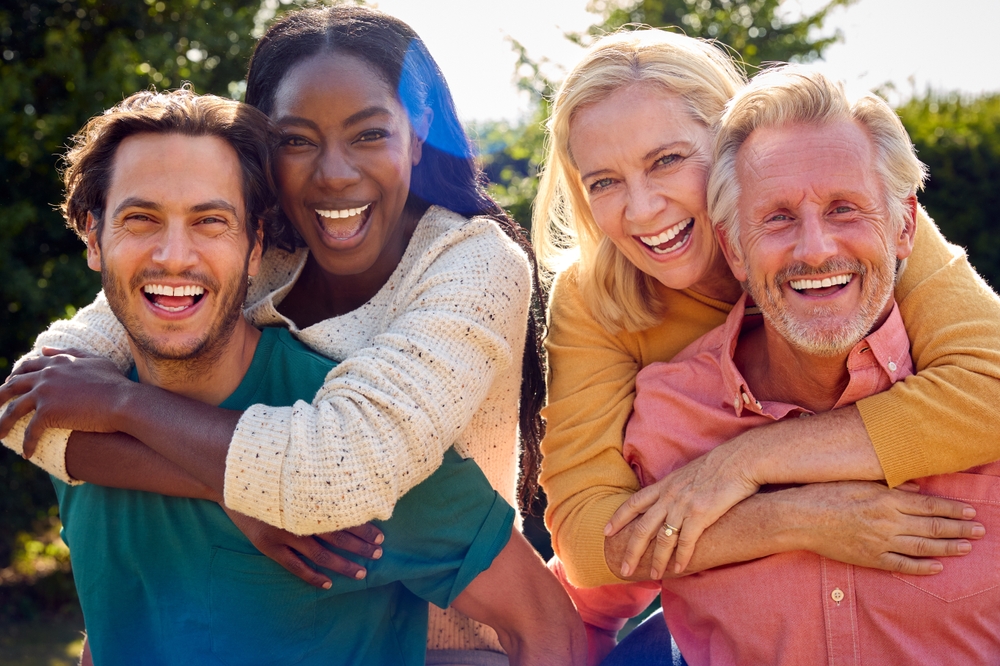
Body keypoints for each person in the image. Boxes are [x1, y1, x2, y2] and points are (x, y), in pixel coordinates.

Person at [0, 7, 583, 664]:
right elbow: (33, 404)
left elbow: (331, 477)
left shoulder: (471, 263)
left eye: (368, 135)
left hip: (453, 640)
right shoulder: (251, 250)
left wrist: (121, 407)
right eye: (297, 141)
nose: (333, 173)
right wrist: (234, 491)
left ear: (417, 135)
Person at [533, 28, 1000, 595]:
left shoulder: (854, 229)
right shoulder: (594, 296)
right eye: (604, 182)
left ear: (733, 144)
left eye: (667, 160)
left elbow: (990, 389)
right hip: (715, 595)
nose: (642, 209)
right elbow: (587, 539)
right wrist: (797, 518)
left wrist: (747, 461)